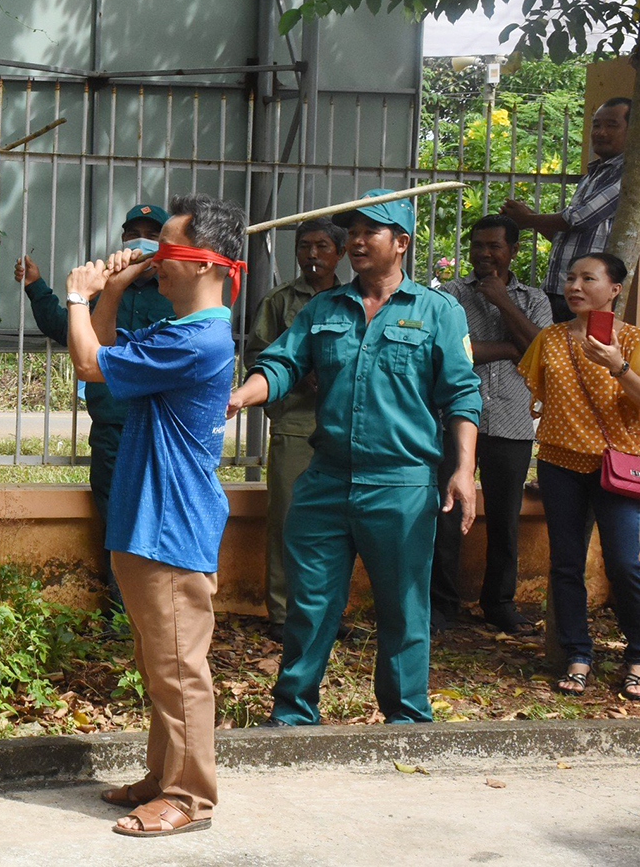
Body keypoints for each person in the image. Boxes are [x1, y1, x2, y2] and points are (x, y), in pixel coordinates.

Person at [228, 190, 481, 726]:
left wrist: (462, 471)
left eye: (371, 232)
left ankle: (406, 718)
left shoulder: (437, 312)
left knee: (403, 609)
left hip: (401, 484)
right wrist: (240, 395)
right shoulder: (323, 309)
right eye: (354, 232)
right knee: (310, 605)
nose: (357, 241)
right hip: (325, 483)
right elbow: (280, 365)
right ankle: (293, 714)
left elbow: (461, 395)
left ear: (402, 243)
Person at [64, 193, 246, 837]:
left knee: (178, 669)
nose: (156, 263)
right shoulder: (179, 332)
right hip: (145, 518)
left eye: (165, 253)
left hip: (171, 525)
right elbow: (105, 363)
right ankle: (162, 773)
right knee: (157, 662)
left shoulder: (201, 338)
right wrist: (112, 291)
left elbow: (87, 359)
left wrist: (78, 295)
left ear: (203, 264)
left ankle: (189, 797)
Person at [15, 203, 172, 606]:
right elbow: (66, 327)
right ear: (122, 241)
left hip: (162, 429)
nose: (141, 240)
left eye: (151, 234)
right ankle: (122, 614)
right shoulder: (102, 287)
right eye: (133, 232)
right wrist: (36, 284)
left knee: (159, 520)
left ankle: (156, 610)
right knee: (117, 519)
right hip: (114, 426)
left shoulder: (176, 293)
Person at [516, 252, 640, 701]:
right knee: (565, 564)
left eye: (589, 278)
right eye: (570, 277)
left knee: (626, 563)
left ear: (614, 289)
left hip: (618, 469)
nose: (574, 286)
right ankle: (577, 653)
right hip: (558, 464)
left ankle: (638, 653)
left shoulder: (631, 340)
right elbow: (539, 398)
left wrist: (617, 365)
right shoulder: (548, 339)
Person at [433, 215, 552, 634]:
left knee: (505, 517)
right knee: (445, 514)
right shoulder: (449, 296)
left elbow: (544, 352)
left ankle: (499, 603)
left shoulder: (534, 298)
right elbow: (454, 354)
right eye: (477, 245)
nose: (484, 254)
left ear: (513, 251)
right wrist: (515, 347)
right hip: (456, 419)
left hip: (513, 422)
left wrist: (504, 302)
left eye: (494, 246)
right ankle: (441, 605)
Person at [245, 219, 345, 640]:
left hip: (346, 425)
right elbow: (258, 354)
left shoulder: (353, 300)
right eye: (304, 246)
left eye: (322, 246)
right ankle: (284, 614)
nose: (312, 255)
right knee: (288, 519)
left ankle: (328, 614)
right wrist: (297, 376)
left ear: (339, 252)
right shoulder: (279, 301)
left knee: (338, 525)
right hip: (297, 423)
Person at [503, 96, 630, 323]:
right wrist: (530, 217)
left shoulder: (627, 175)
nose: (600, 132)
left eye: (611, 125)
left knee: (584, 354)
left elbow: (580, 219)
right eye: (596, 125)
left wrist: (529, 219)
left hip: (591, 295)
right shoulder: (594, 173)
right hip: (559, 288)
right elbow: (567, 234)